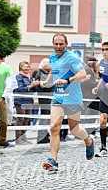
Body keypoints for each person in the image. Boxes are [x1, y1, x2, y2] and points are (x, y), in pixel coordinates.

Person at [40, 33, 94, 171]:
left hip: (73, 98)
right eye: (56, 44)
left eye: (61, 44)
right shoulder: (52, 57)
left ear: (66, 44)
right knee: (54, 127)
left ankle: (88, 141)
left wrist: (67, 80)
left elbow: (82, 74)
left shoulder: (72, 58)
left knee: (74, 129)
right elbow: (54, 70)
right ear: (53, 44)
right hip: (58, 97)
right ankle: (53, 160)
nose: (58, 46)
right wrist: (47, 81)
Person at [14, 61, 40, 144]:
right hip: (20, 101)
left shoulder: (31, 77)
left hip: (29, 101)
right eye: (25, 67)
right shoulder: (18, 77)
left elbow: (34, 90)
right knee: (20, 119)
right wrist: (31, 86)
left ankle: (24, 138)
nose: (27, 68)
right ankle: (18, 138)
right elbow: (20, 89)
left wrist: (36, 85)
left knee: (26, 120)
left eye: (28, 67)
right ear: (20, 68)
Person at [35, 58, 53, 144]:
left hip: (47, 99)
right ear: (45, 65)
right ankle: (41, 136)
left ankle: (45, 135)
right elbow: (47, 85)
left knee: (47, 118)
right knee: (44, 117)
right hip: (45, 99)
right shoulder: (41, 74)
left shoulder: (44, 73)